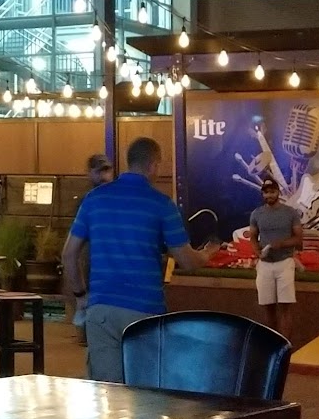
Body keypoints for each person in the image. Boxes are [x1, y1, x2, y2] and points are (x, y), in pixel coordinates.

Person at [63, 137, 219, 383]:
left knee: (107, 392)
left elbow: (69, 254)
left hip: (102, 309)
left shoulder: (94, 199)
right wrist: (207, 253)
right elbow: (187, 260)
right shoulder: (162, 205)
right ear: (153, 165)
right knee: (144, 392)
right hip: (145, 311)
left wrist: (81, 295)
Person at [244, 178, 303, 338]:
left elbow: (298, 238)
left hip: (285, 262)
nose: (269, 195)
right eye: (266, 192)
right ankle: (272, 344)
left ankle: (286, 346)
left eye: (272, 192)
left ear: (278, 192)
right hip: (264, 264)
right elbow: (253, 237)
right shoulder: (257, 213)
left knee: (285, 307)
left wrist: (282, 243)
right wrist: (257, 251)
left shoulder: (290, 212)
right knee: (268, 307)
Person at [68, 154, 116, 334]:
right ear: (90, 173)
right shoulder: (87, 201)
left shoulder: (102, 199)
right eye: (99, 171)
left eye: (107, 170)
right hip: (90, 263)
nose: (104, 175)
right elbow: (73, 250)